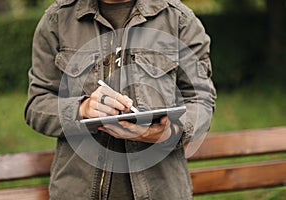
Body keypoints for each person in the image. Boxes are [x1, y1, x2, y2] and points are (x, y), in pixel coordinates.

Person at [24, 0, 216, 199]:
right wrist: (82, 109)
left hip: (163, 192)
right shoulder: (57, 19)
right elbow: (37, 103)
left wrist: (170, 131)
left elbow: (202, 100)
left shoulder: (179, 20)